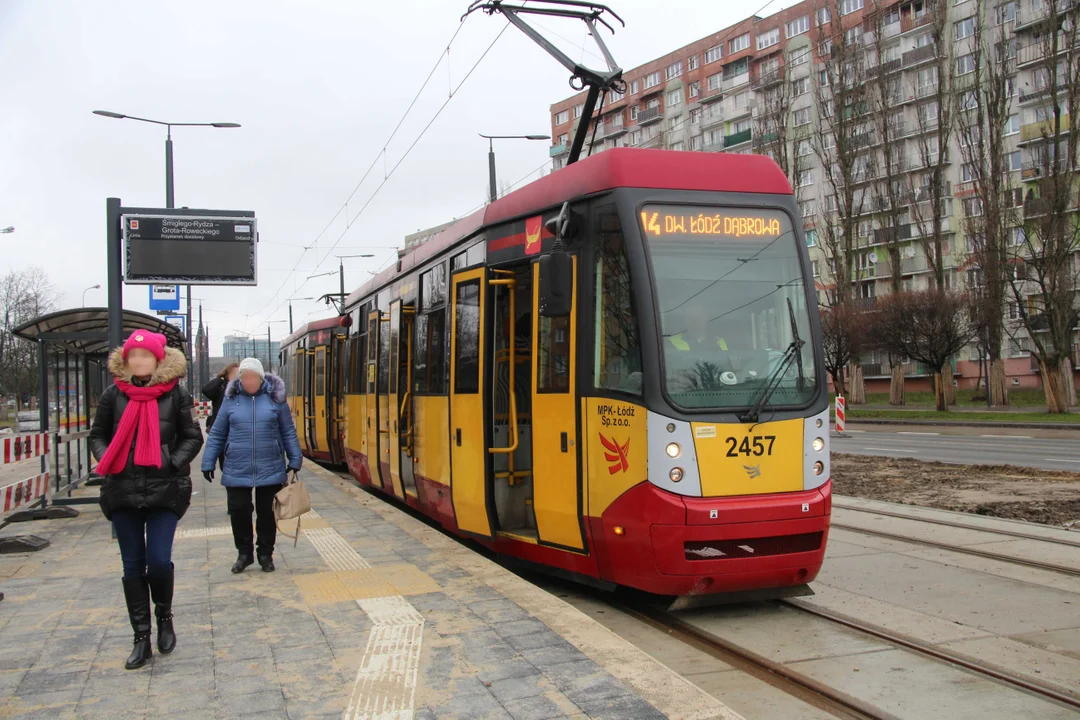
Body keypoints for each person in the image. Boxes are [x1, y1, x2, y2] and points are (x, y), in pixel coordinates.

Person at [89, 331, 203, 670]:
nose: (137, 361)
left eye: (144, 355)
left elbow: (192, 436)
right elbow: (98, 435)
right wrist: (109, 457)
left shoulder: (177, 395)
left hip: (164, 491)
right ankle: (141, 638)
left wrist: (171, 461)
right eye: (132, 355)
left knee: (158, 561)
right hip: (122, 491)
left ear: (157, 360)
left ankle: (164, 616)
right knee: (132, 567)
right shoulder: (113, 395)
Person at [201, 357, 302, 574]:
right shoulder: (231, 400)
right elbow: (218, 433)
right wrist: (208, 461)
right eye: (244, 377)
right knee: (239, 511)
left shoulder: (276, 399)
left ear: (261, 378)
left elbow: (288, 431)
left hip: (270, 465)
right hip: (237, 465)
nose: (248, 381)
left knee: (266, 513)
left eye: (252, 377)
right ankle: (244, 554)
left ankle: (265, 554)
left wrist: (295, 458)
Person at [201, 362, 239, 433]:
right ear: (227, 374)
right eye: (234, 374)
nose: (236, 376)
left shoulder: (240, 387)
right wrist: (220, 379)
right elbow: (206, 390)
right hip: (217, 424)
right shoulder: (221, 386)